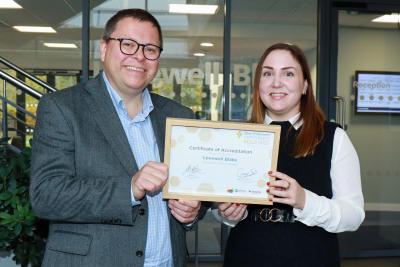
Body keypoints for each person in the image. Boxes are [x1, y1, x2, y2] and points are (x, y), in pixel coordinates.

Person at [30, 8, 205, 267]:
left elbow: (192, 190)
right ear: (103, 48)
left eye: (150, 49)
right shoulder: (62, 108)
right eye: (128, 44)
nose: (139, 56)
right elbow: (47, 196)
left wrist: (191, 212)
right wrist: (129, 188)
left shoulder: (179, 116)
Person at [216, 43, 365, 267]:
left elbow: (353, 216)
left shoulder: (334, 137)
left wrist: (305, 201)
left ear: (305, 85)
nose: (276, 82)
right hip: (245, 254)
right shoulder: (239, 137)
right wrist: (228, 215)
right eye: (268, 73)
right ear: (258, 85)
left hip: (312, 255)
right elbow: (223, 207)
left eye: (288, 73)